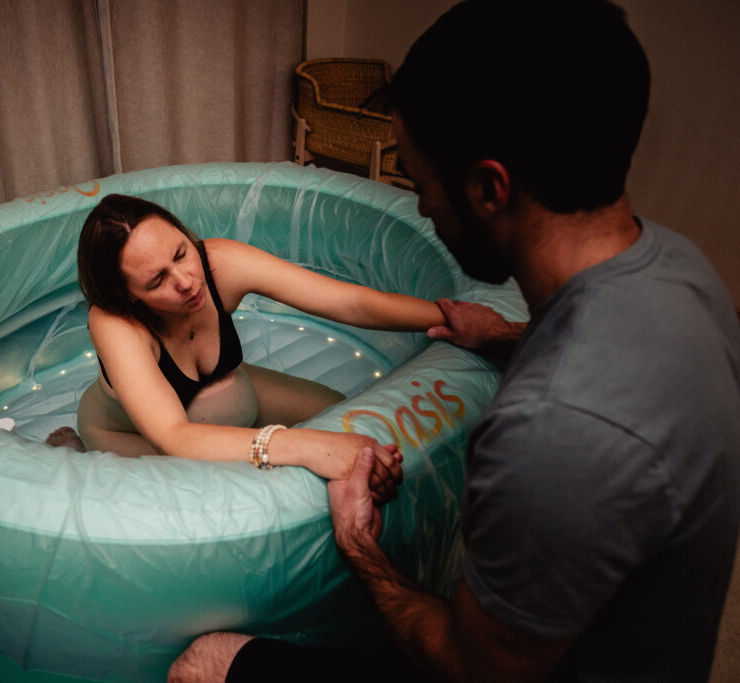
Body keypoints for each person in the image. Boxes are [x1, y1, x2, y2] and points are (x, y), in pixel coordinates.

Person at [169, 0, 740, 681]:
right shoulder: (685, 270)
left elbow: (470, 667)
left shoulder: (547, 434)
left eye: (419, 181)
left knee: (204, 662)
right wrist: (502, 336)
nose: (420, 207)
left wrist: (362, 553)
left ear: (489, 188)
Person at [48, 192, 446, 496]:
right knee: (209, 492)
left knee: (340, 413)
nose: (186, 280)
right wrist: (305, 446)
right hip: (132, 434)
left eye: (182, 253)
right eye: (157, 281)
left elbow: (348, 301)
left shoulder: (219, 263)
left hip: (227, 395)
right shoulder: (115, 322)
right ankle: (78, 452)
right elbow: (173, 436)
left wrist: (449, 319)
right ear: (128, 295)